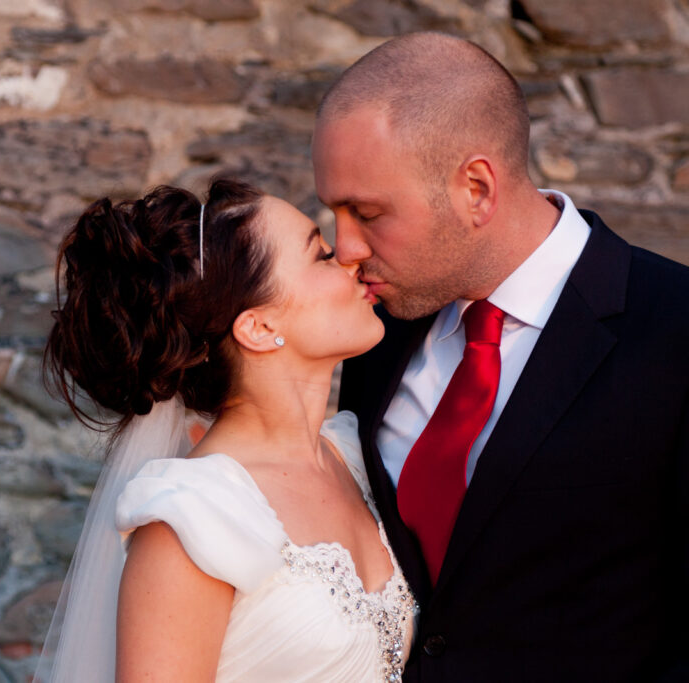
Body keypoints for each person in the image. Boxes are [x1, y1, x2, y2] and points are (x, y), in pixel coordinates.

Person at [313, 32, 689, 682]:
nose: (344, 246)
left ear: (478, 188)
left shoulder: (676, 329)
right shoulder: (374, 332)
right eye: (334, 211)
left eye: (368, 212)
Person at [36, 178, 419, 682]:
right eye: (321, 255)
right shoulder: (191, 519)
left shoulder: (357, 455)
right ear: (258, 328)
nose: (350, 259)